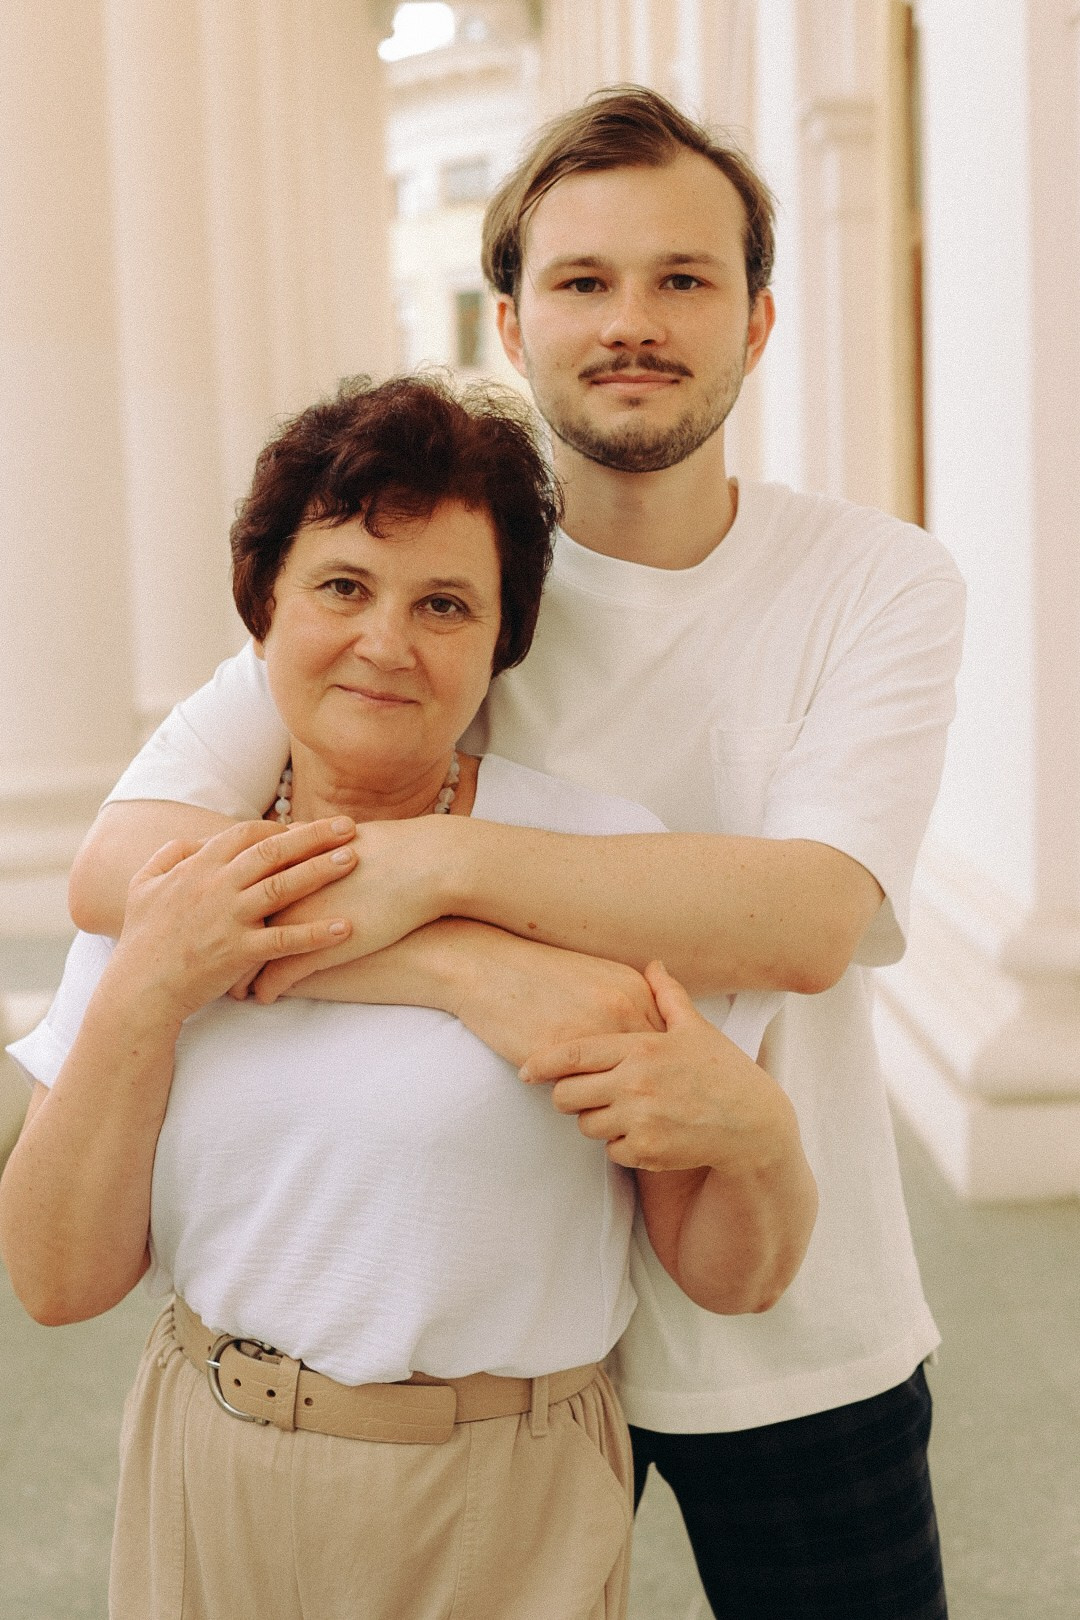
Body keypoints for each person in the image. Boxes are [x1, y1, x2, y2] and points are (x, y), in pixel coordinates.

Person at [67, 87, 964, 1620]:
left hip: (784, 1303)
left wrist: (440, 871)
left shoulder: (876, 581)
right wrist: (466, 976)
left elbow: (811, 916)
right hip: (503, 1337)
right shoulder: (446, 574)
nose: (634, 322)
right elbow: (122, 864)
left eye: (684, 280)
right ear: (509, 320)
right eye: (583, 281)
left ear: (756, 323)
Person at [1, 374, 817, 1620]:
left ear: (500, 643)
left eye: (445, 604)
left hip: (499, 1490)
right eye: (342, 587)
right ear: (262, 609)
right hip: (207, 1455)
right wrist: (151, 987)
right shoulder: (178, 880)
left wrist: (761, 1138)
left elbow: (726, 1273)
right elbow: (57, 1281)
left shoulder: (592, 863)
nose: (387, 643)